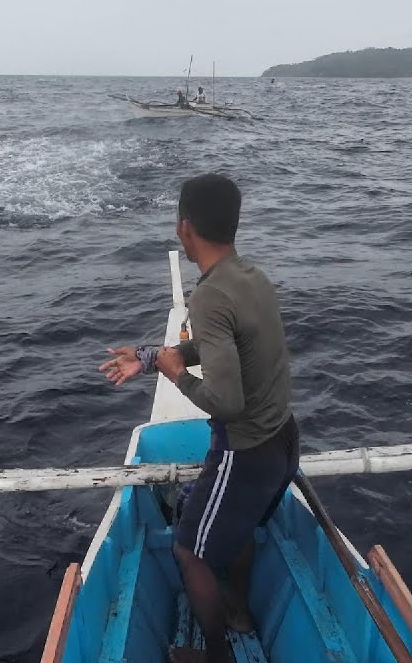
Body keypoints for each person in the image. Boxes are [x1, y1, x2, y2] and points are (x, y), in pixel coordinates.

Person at [98, 174, 299, 663]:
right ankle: (239, 614)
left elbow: (226, 403)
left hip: (245, 452)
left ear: (184, 227)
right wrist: (151, 357)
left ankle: (216, 657)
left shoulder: (208, 296)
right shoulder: (250, 276)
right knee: (241, 527)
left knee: (189, 551)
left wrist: (174, 376)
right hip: (284, 440)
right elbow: (220, 344)